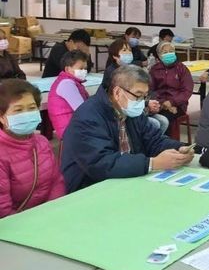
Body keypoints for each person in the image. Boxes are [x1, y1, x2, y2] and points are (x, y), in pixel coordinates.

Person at [61, 65, 195, 193]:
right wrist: (152, 163)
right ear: (118, 92)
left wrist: (178, 148)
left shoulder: (131, 112)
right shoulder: (88, 116)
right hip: (90, 187)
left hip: (128, 177)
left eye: (145, 96)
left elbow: (154, 140)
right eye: (138, 95)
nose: (141, 102)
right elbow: (102, 163)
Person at [0, 79, 65, 218]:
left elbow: (56, 182)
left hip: (47, 216)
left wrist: (54, 212)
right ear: (2, 117)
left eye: (31, 108)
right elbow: (3, 210)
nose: (26, 114)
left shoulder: (41, 142)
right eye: (18, 110)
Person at [103, 39, 169, 134]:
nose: (128, 53)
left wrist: (152, 102)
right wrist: (146, 104)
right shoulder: (112, 73)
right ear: (115, 56)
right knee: (154, 124)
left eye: (130, 50)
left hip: (140, 108)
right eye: (124, 50)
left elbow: (147, 90)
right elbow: (122, 100)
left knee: (163, 121)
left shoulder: (132, 69)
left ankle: (150, 145)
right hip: (123, 112)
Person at [150, 41, 194, 133]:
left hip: (178, 105)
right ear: (159, 55)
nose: (168, 54)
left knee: (165, 119)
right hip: (159, 103)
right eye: (165, 52)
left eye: (171, 51)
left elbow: (187, 90)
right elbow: (150, 90)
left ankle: (166, 144)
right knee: (149, 119)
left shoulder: (182, 69)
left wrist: (172, 102)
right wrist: (163, 103)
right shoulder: (154, 69)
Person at [47, 50, 90, 139]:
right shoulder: (66, 84)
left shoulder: (71, 82)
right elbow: (82, 109)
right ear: (67, 69)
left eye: (85, 69)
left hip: (73, 125)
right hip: (70, 129)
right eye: (81, 68)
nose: (84, 71)